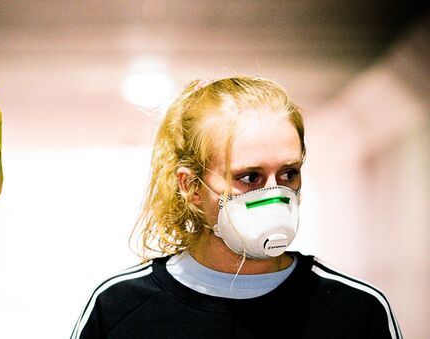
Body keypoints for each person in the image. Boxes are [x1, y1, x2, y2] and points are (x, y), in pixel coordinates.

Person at [70, 77, 402, 339]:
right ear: (191, 188)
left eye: (288, 173)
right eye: (249, 177)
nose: (276, 194)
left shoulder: (357, 311)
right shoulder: (118, 309)